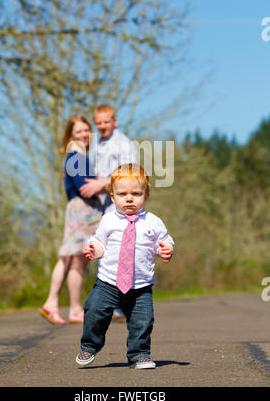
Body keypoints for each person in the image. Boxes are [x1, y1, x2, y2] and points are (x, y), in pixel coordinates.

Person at [75, 163, 175, 369]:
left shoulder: (153, 222)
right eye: (122, 194)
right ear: (112, 197)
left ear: (146, 196)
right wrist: (94, 250)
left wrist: (166, 248)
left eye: (136, 193)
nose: (129, 198)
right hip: (108, 281)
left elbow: (163, 241)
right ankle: (90, 345)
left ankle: (139, 355)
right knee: (94, 310)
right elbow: (100, 242)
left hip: (140, 285)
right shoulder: (109, 220)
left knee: (143, 320)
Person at [39, 115, 102, 325]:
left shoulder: (78, 156)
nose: (84, 134)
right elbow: (84, 187)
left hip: (81, 211)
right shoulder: (76, 155)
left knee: (72, 259)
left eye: (86, 130)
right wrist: (102, 183)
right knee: (73, 259)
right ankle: (62, 306)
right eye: (78, 131)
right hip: (82, 211)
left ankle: (64, 306)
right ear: (70, 136)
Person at [80, 104, 137, 321]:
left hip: (121, 207)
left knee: (122, 253)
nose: (103, 126)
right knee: (107, 254)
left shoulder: (123, 144)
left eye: (107, 122)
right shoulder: (99, 144)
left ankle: (124, 305)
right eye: (99, 123)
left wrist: (99, 185)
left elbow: (126, 175)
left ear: (115, 121)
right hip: (104, 206)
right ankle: (111, 304)